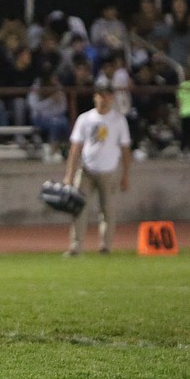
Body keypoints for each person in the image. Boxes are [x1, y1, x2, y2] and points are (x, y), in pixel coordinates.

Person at [62, 79, 132, 256]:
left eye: (107, 95)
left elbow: (125, 149)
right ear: (95, 97)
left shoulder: (118, 120)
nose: (104, 98)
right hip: (87, 169)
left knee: (108, 210)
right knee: (79, 209)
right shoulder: (85, 119)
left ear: (111, 97)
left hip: (109, 170)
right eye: (100, 94)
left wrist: (125, 174)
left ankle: (105, 245)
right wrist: (69, 174)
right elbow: (75, 148)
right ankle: (76, 245)